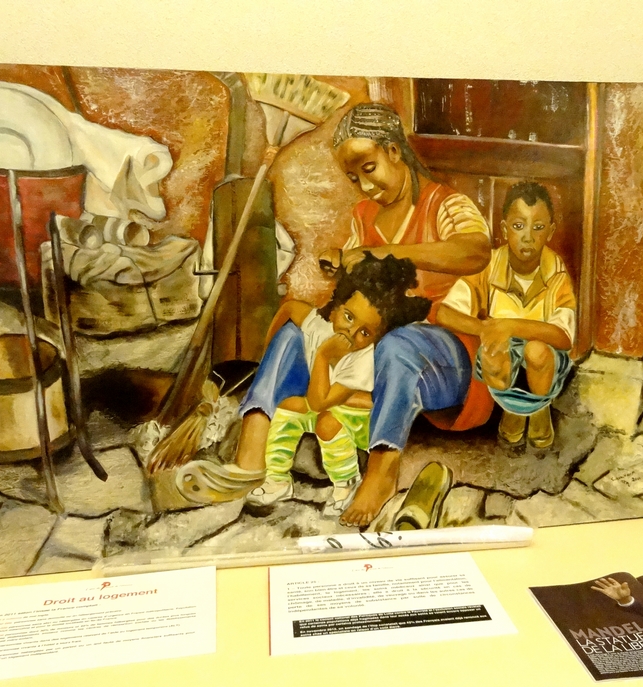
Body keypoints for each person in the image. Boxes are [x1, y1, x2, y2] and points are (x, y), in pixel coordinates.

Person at [198, 102, 494, 526]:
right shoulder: (364, 216)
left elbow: (475, 251)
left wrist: (385, 252)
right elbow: (359, 297)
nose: (364, 186)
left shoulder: (445, 204)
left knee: (398, 343)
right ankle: (252, 452)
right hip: (370, 348)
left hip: (441, 357)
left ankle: (382, 471)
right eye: (354, 178)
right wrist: (342, 268)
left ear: (394, 151)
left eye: (369, 168)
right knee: (297, 331)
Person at [245, 253, 431, 516]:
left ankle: (346, 482)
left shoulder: (362, 357)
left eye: (365, 332)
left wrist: (323, 356)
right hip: (329, 402)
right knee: (288, 406)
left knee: (326, 422)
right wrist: (264, 356)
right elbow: (289, 309)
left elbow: (319, 403)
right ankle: (278, 480)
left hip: (361, 420)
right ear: (334, 309)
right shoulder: (318, 325)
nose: (351, 333)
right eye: (348, 317)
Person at [437, 182, 575, 450]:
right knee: (494, 350)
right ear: (504, 229)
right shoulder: (489, 266)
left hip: (543, 358)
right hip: (504, 356)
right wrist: (485, 329)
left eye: (538, 227)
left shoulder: (556, 272)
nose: (528, 237)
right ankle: (512, 409)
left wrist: (508, 326)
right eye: (518, 226)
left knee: (536, 351)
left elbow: (563, 336)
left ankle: (539, 408)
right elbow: (445, 312)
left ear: (550, 231)